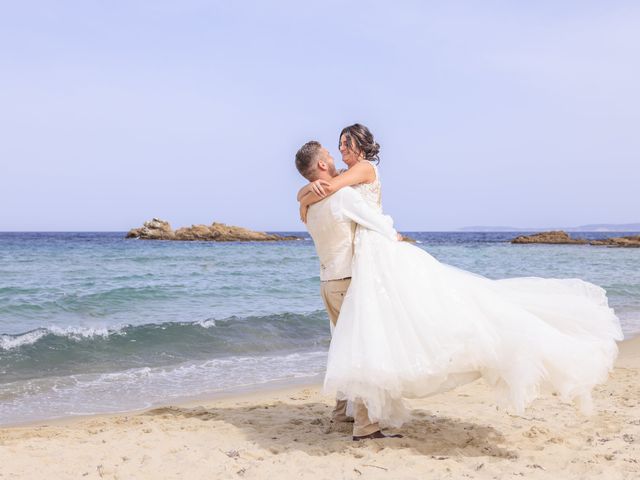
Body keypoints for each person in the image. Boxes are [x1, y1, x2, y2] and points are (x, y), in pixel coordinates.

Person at [296, 124, 624, 430]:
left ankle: (361, 408)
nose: (340, 150)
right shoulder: (345, 184)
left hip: (371, 253)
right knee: (364, 334)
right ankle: (357, 410)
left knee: (389, 324)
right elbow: (330, 191)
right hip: (366, 256)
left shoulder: (362, 170)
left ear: (361, 145)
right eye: (337, 146)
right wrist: (305, 194)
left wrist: (303, 197)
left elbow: (334, 188)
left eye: (345, 143)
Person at [294, 140, 403, 440]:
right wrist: (402, 241)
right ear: (321, 165)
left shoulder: (310, 207)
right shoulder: (343, 197)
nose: (335, 157)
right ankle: (366, 427)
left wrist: (302, 196)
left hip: (327, 284)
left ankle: (341, 412)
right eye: (329, 155)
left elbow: (307, 197)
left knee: (341, 348)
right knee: (362, 352)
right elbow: (379, 224)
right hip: (349, 283)